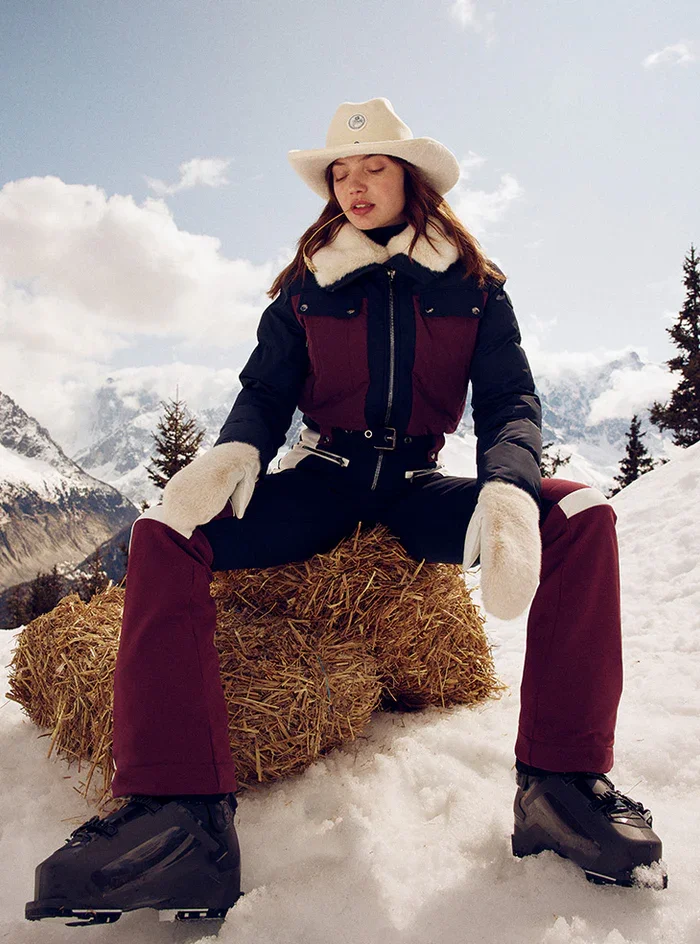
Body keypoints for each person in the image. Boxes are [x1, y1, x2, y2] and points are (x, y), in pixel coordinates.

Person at [26, 98, 665, 926]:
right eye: (340, 173)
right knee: (164, 531)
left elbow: (511, 401)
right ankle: (177, 815)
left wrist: (509, 485)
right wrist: (233, 455)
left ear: (411, 178)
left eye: (373, 168)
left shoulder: (476, 288)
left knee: (581, 514)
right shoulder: (306, 286)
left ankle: (561, 785)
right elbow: (265, 392)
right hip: (322, 484)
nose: (354, 185)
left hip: (418, 489)